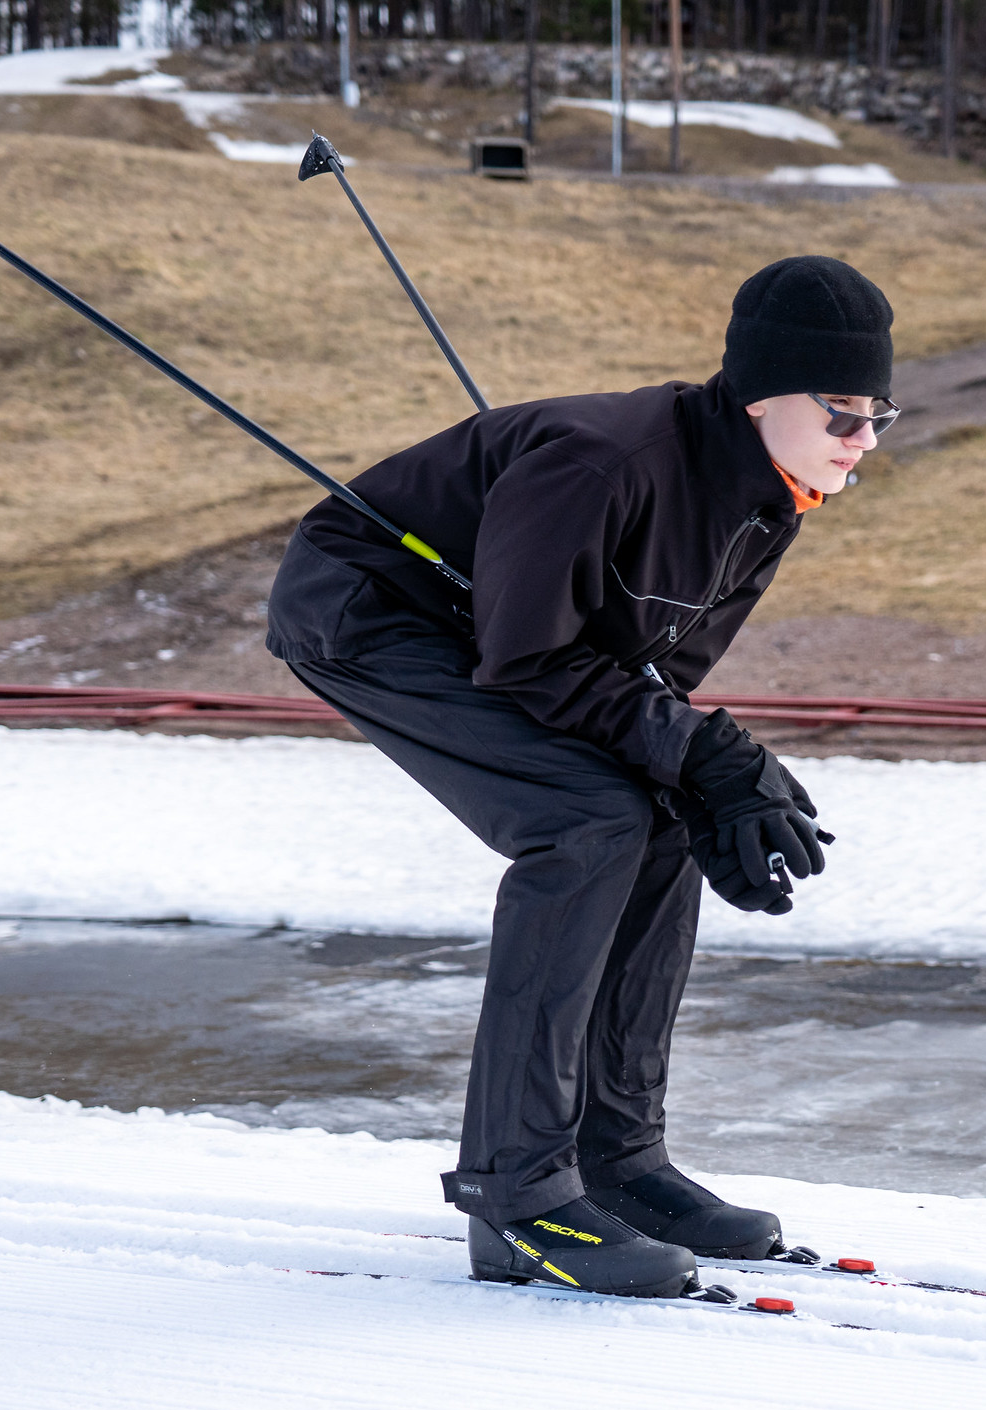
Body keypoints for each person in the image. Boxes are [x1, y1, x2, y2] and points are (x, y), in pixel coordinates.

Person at [264, 255, 900, 1298]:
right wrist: (705, 751)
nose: (863, 440)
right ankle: (515, 1198)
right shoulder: (603, 462)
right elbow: (526, 662)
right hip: (370, 613)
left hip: (497, 633)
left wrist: (701, 787)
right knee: (586, 821)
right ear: (762, 395)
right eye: (843, 414)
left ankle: (617, 1160)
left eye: (880, 416)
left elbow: (647, 677)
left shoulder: (766, 497)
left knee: (648, 815)